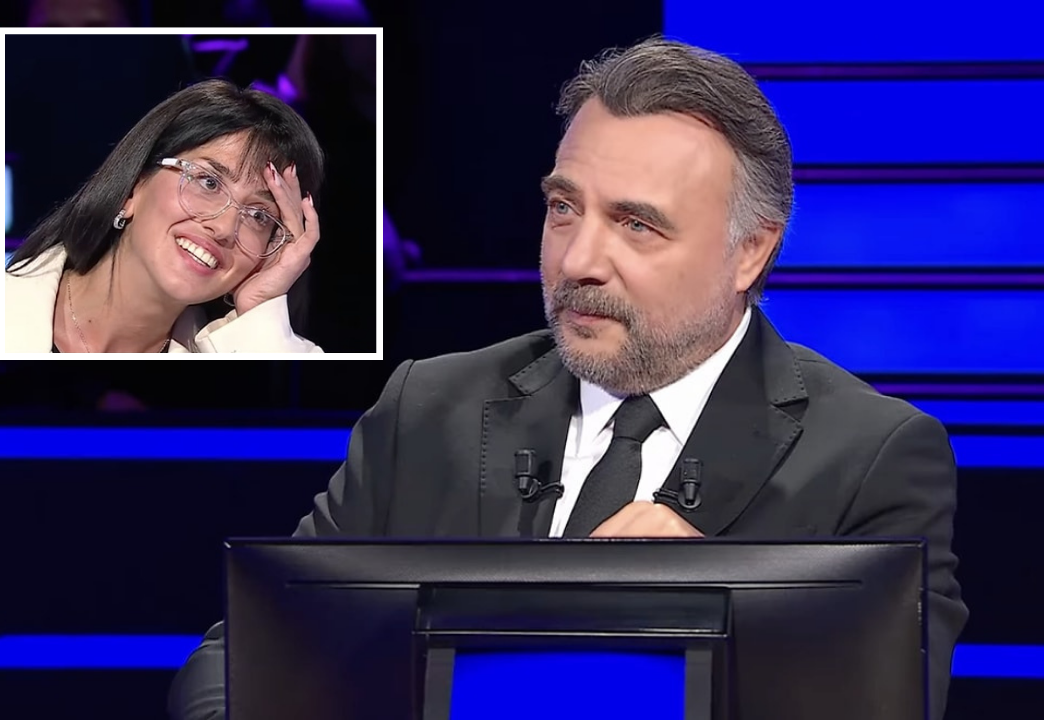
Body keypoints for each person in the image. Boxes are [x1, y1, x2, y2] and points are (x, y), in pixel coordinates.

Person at [168, 37, 967, 719]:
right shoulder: (430, 411)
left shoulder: (869, 459)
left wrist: (721, 609)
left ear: (749, 252)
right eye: (563, 209)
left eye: (636, 224)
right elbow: (236, 663)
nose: (578, 260)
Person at [4, 78, 326, 353]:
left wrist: (258, 309)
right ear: (133, 186)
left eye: (258, 216)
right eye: (209, 182)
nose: (225, 227)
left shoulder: (272, 347)